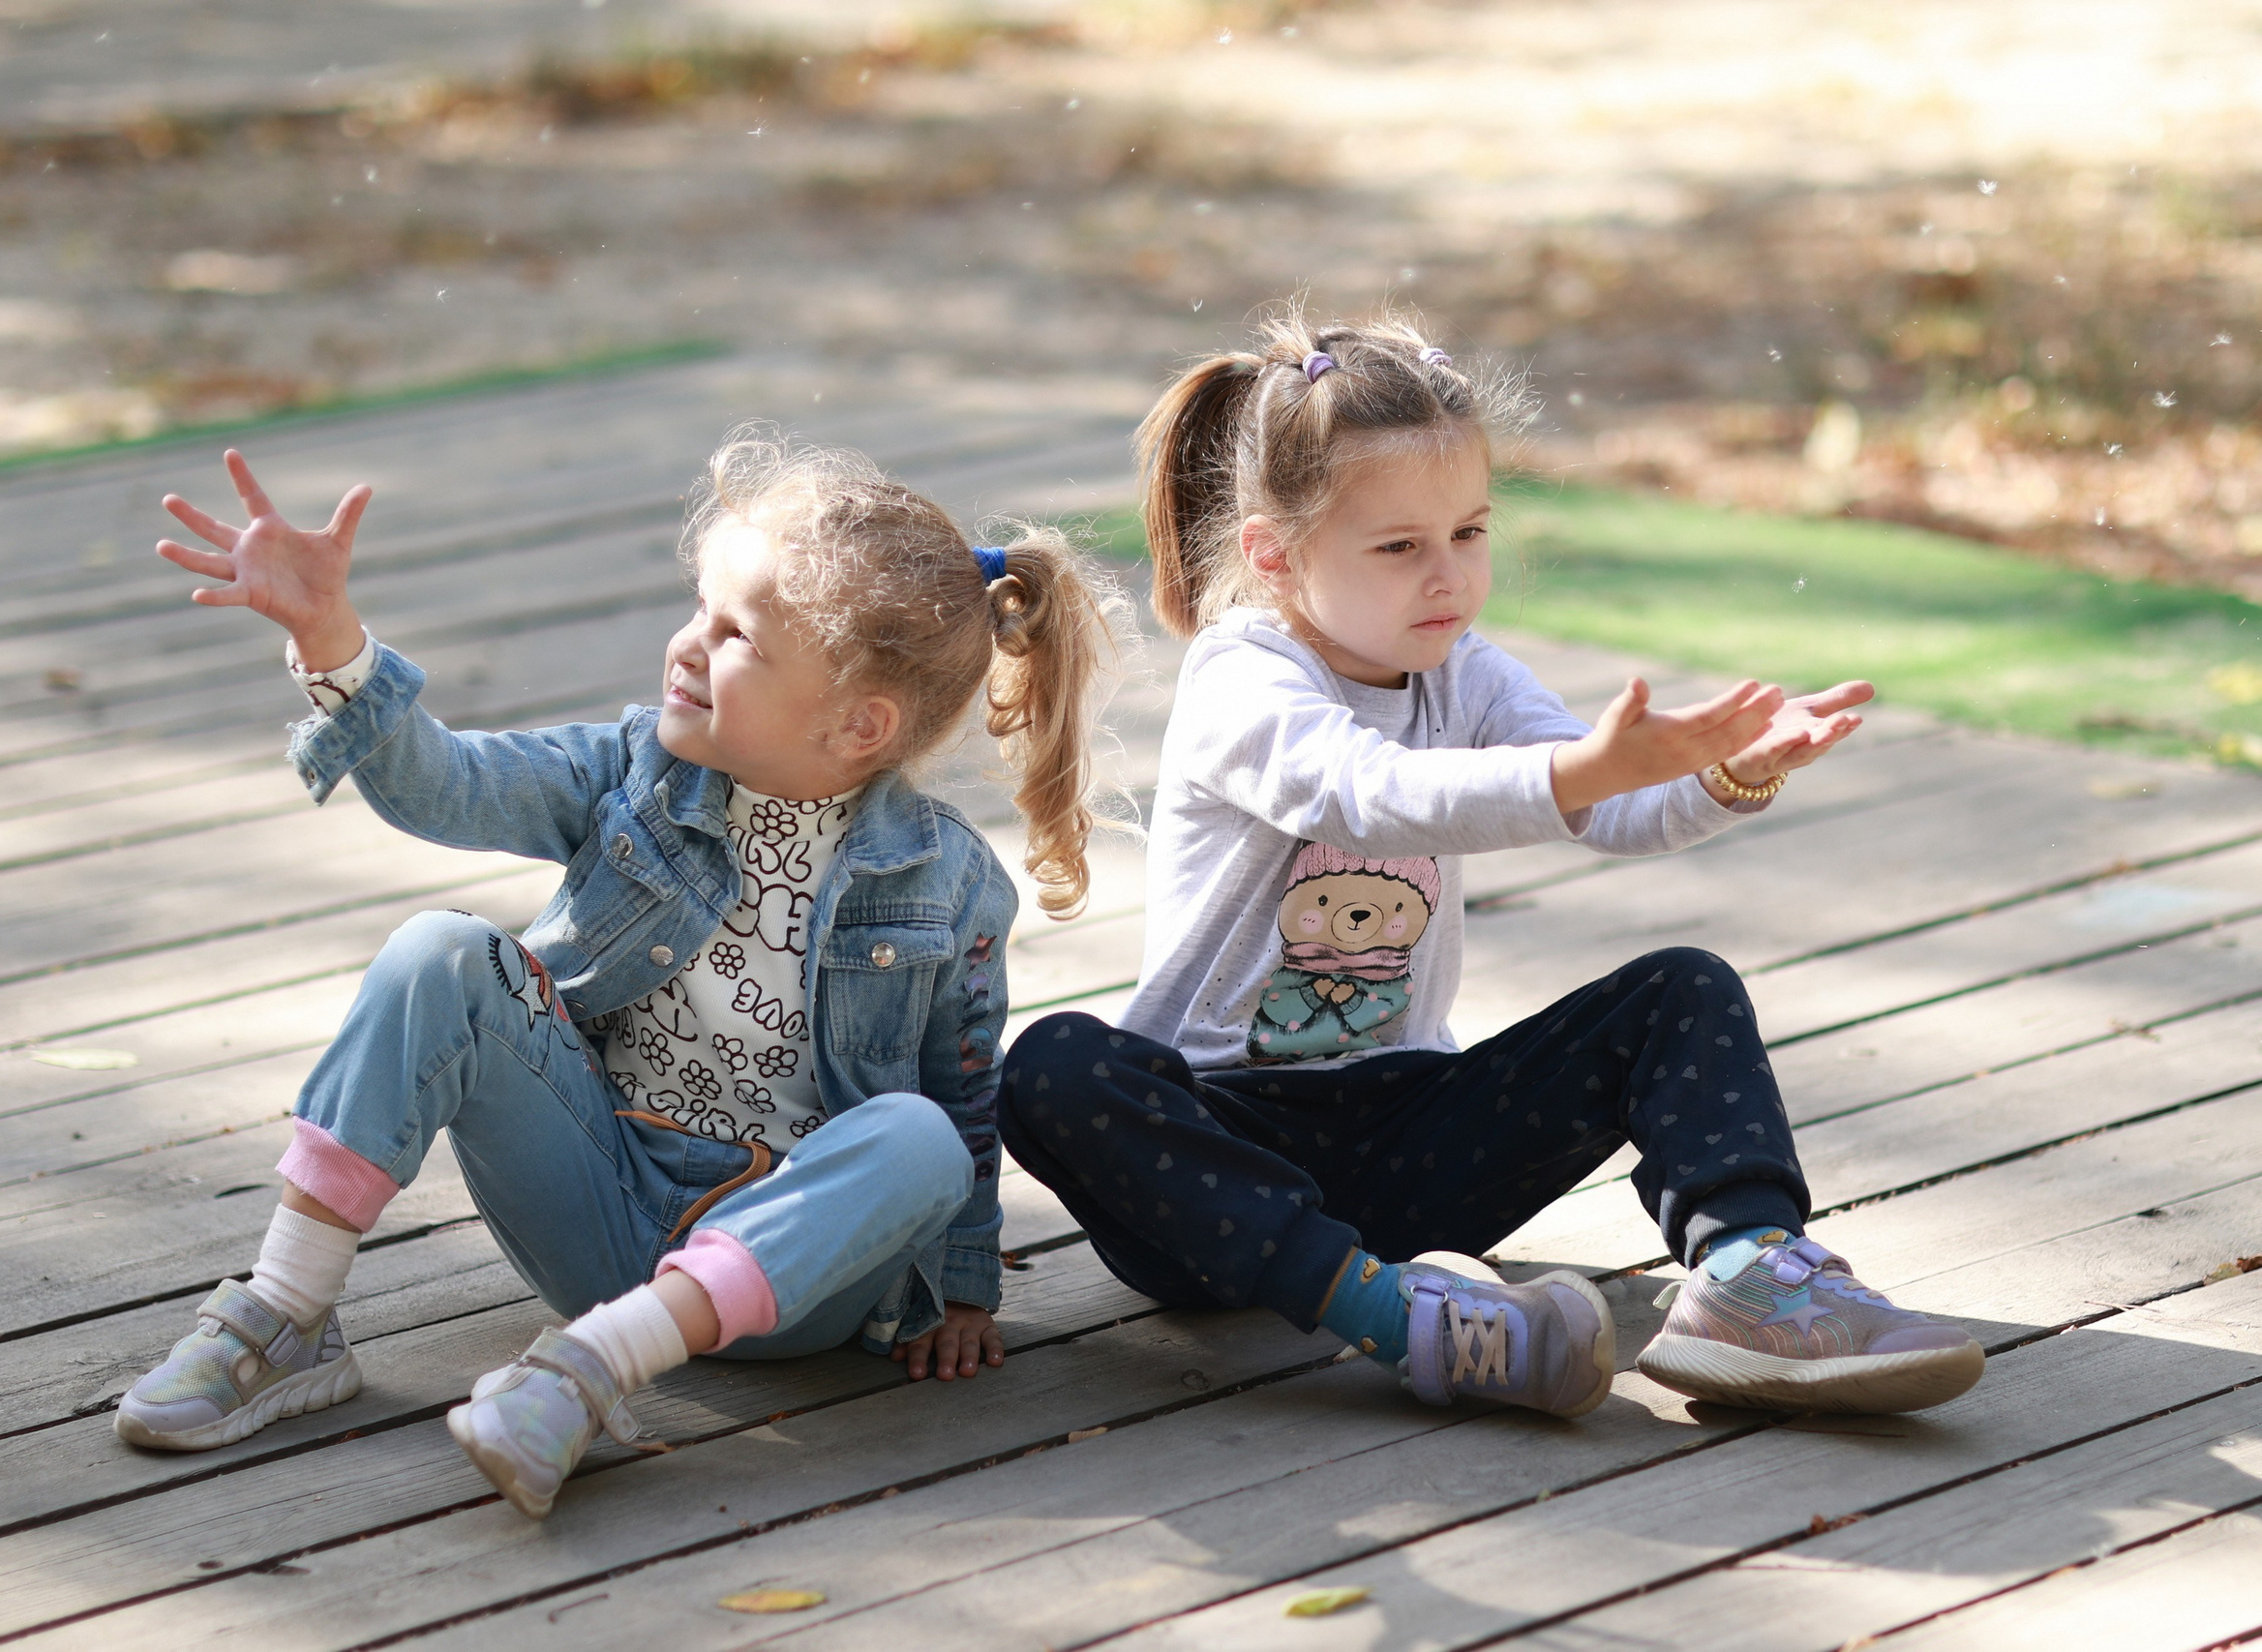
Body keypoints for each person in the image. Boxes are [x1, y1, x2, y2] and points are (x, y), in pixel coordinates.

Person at [116, 433, 1123, 1518]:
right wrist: (334, 642)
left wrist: (963, 1288)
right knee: (439, 952)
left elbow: (964, 1095)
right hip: (597, 1208)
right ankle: (285, 1312)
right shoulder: (632, 774)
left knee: (916, 1133)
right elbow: (444, 787)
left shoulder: (947, 882)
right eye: (699, 608)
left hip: (792, 1281)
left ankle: (587, 1375)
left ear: (858, 724)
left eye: (736, 636)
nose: (689, 645)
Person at [998, 315, 1984, 1417]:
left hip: (1413, 1134)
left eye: (1468, 532)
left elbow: (1616, 813)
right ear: (1274, 554)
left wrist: (1728, 773)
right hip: (1218, 1167)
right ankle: (1404, 1323)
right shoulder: (1243, 680)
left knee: (1681, 988)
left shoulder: (1462, 672)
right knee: (1057, 1065)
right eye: (1398, 546)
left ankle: (1751, 1281)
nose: (1448, 577)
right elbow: (1366, 797)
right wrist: (1579, 768)